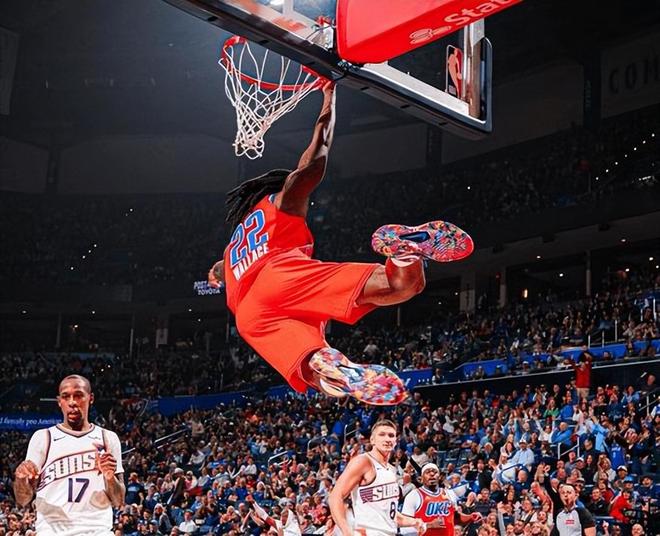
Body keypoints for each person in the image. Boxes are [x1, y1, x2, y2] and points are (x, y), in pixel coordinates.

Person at [208, 82, 472, 405]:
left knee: (311, 367)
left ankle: (335, 368)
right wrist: (328, 100)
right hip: (282, 276)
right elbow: (311, 165)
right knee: (401, 286)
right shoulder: (279, 204)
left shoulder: (235, 244)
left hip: (251, 317)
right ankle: (405, 254)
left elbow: (221, 269)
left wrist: (216, 274)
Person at [13, 374, 125, 535]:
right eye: (66, 397)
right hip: (52, 531)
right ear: (60, 401)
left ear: (91, 398)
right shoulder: (43, 437)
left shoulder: (108, 438)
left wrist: (110, 478)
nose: (72, 402)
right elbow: (23, 499)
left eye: (78, 395)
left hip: (97, 530)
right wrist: (21, 479)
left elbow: (118, 500)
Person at [328, 420, 427, 535]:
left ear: (395, 441)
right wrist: (346, 530)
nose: (387, 439)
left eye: (391, 435)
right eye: (382, 434)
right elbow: (335, 497)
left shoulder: (391, 470)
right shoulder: (363, 461)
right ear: (372, 440)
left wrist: (414, 522)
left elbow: (389, 515)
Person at [401, 464, 481, 535]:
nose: (432, 474)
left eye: (435, 472)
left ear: (439, 477)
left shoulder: (449, 494)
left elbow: (455, 518)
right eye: (427, 472)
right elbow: (404, 528)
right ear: (421, 478)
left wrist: (470, 517)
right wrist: (428, 525)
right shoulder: (414, 496)